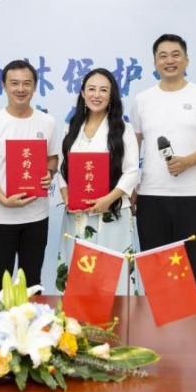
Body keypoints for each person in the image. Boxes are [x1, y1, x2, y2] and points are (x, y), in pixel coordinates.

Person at [131, 34, 196, 293]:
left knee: (189, 281)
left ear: (186, 59)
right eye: (162, 56)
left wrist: (187, 162)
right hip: (151, 198)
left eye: (175, 54)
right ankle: (154, 323)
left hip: (191, 198)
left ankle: (190, 322)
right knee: (156, 281)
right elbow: (132, 149)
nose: (169, 60)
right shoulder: (142, 100)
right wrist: (130, 189)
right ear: (155, 63)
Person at [0, 60, 59, 292]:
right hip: (1, 217)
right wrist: (3, 200)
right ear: (4, 85)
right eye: (14, 83)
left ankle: (33, 318)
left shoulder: (47, 122)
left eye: (26, 83)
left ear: (35, 86)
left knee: (32, 283)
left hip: (37, 216)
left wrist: (49, 173)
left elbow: (53, 158)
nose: (20, 89)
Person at [56, 68, 139, 294]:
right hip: (77, 214)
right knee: (79, 275)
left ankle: (118, 316)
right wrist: (66, 195)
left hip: (113, 213)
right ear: (83, 93)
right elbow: (62, 169)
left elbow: (132, 171)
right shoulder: (71, 127)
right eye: (91, 89)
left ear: (111, 96)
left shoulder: (123, 129)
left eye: (103, 90)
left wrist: (108, 199)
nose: (96, 95)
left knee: (113, 277)